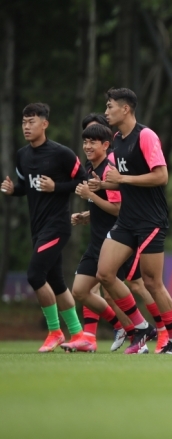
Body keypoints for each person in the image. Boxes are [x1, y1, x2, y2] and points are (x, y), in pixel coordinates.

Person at [93, 88, 172, 354]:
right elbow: (123, 182)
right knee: (105, 274)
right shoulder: (117, 140)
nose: (106, 111)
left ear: (126, 109)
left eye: (110, 107)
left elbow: (161, 177)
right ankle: (142, 327)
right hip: (127, 220)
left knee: (152, 282)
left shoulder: (146, 136)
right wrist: (106, 184)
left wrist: (122, 179)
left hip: (151, 220)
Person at [71, 114, 168, 353]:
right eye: (85, 139)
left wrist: (92, 196)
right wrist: (88, 213)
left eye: (93, 139)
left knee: (140, 285)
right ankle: (125, 330)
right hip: (101, 240)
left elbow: (119, 207)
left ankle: (162, 332)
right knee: (85, 290)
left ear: (106, 141)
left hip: (122, 236)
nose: (87, 145)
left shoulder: (112, 164)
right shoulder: (92, 167)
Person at [1, 103, 86, 352]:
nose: (27, 127)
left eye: (32, 121)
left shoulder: (62, 154)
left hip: (58, 225)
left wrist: (56, 187)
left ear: (45, 124)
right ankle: (79, 334)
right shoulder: (22, 155)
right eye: (24, 122)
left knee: (34, 275)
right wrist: (12, 190)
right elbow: (25, 186)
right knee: (56, 281)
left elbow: (84, 181)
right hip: (37, 227)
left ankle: (55, 331)